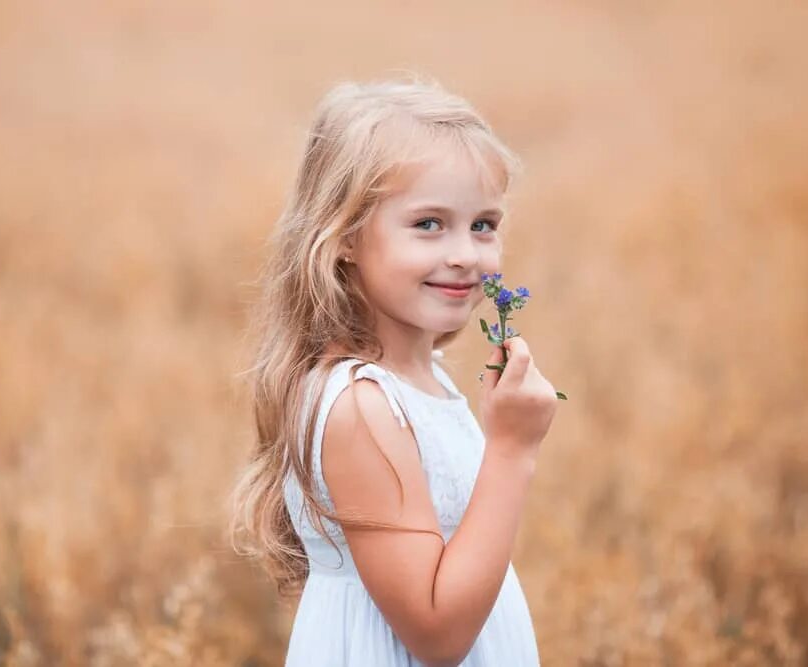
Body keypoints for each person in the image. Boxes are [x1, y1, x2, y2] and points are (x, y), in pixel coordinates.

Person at [228, 73, 559, 666]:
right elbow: (436, 634)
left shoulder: (426, 376)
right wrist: (512, 450)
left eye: (483, 224)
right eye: (428, 223)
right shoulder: (361, 406)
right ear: (345, 235)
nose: (464, 253)